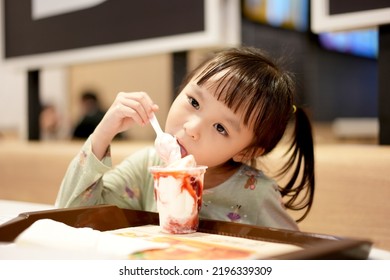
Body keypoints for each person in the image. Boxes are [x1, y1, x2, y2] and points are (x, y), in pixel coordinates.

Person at [56, 46, 315, 231]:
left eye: (221, 128)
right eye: (193, 101)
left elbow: (297, 260)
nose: (192, 128)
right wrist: (104, 132)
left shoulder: (256, 195)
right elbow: (72, 217)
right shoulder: (146, 169)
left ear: (247, 152)